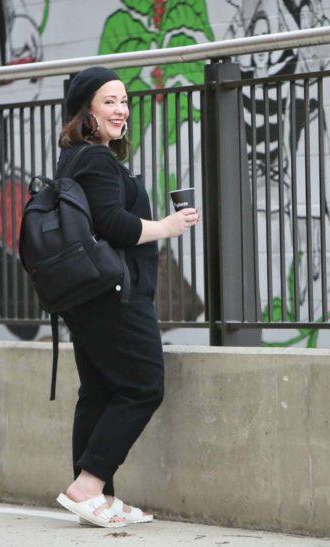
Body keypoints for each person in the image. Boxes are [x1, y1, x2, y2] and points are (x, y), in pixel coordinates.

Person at [54, 66, 200, 528]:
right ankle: (89, 484)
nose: (121, 110)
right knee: (143, 385)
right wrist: (169, 227)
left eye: (124, 101)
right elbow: (113, 225)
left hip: (89, 295)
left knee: (98, 390)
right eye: (109, 102)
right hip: (115, 294)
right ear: (87, 113)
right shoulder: (95, 161)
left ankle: (98, 498)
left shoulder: (77, 159)